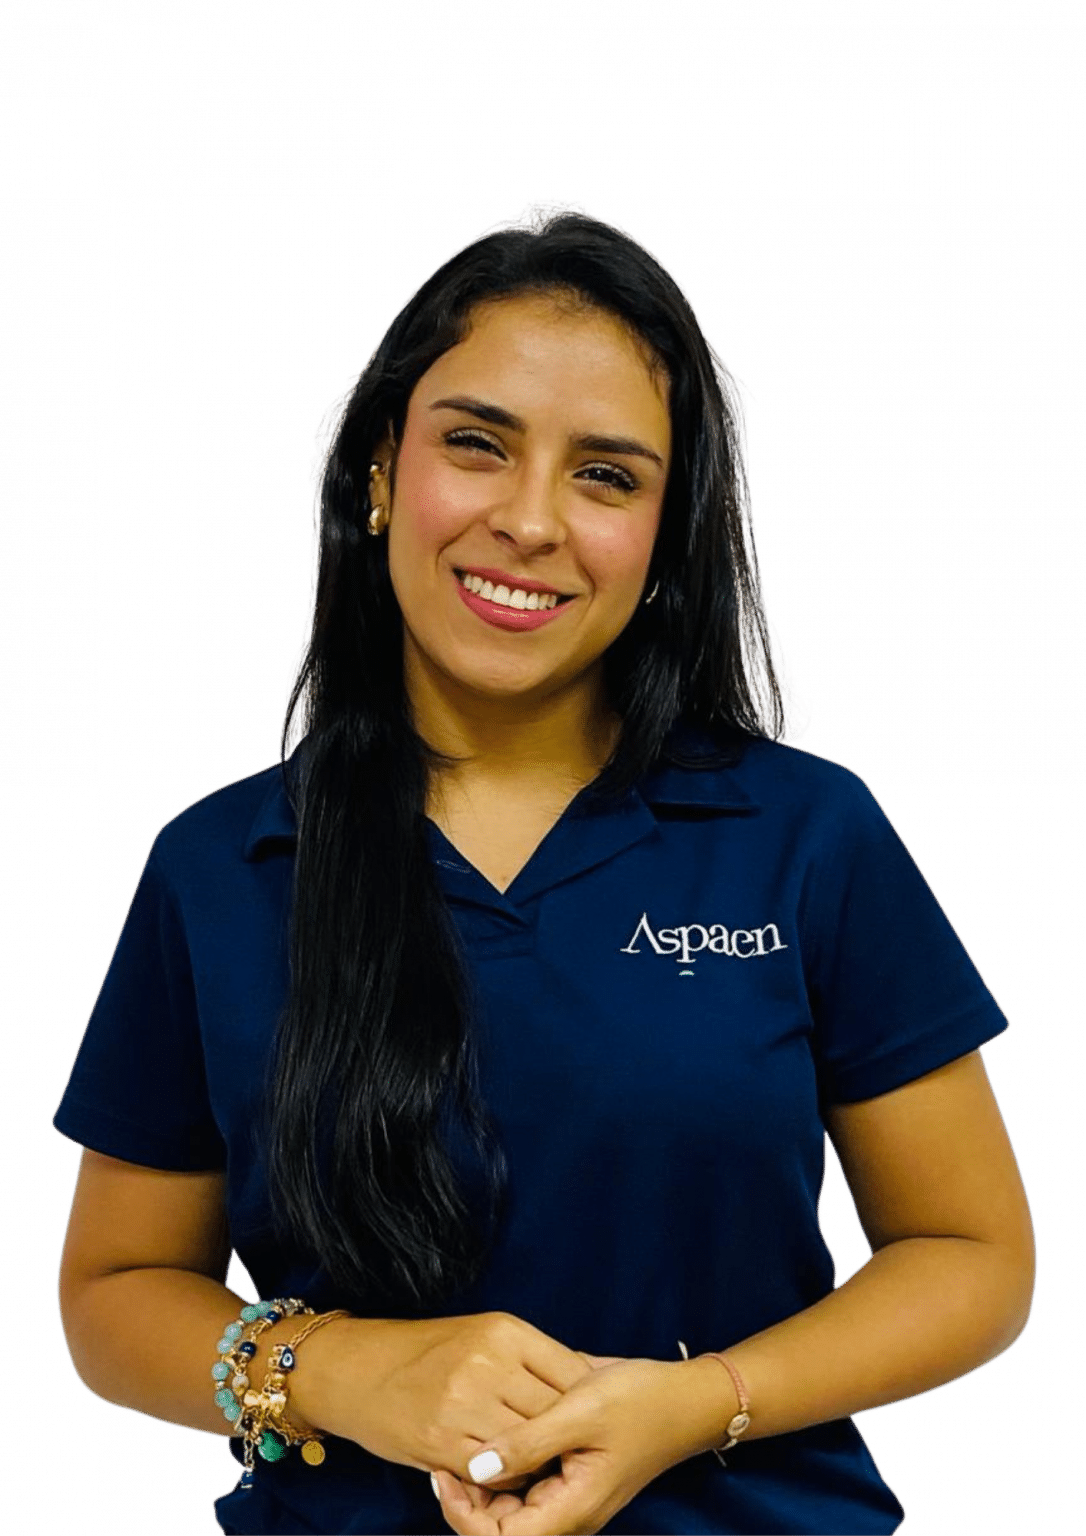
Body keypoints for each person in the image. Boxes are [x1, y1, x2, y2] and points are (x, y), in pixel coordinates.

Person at [51, 202, 1036, 1536]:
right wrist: (342, 1372)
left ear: (665, 539)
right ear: (380, 471)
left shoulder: (806, 835)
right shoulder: (216, 869)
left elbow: (971, 1256)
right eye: (477, 444)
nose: (528, 521)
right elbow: (113, 1295)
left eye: (606, 476)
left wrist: (696, 1403)